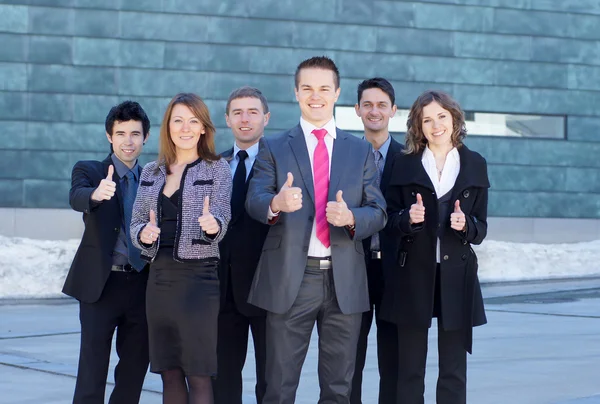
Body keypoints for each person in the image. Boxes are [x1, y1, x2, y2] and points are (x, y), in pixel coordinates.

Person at [245, 56, 387, 403]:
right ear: (296, 92)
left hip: (345, 281)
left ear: (336, 92)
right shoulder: (274, 146)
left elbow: (379, 211)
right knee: (278, 386)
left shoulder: (359, 150)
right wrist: (276, 204)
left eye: (324, 88)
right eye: (307, 88)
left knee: (339, 389)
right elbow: (254, 199)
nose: (315, 95)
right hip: (292, 279)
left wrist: (351, 217)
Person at [380, 90, 489, 404]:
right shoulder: (404, 163)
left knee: (454, 368)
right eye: (427, 119)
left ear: (454, 118)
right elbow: (387, 220)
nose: (435, 124)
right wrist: (407, 219)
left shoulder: (474, 163)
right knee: (409, 368)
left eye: (442, 116)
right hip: (413, 273)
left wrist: (465, 224)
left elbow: (481, 228)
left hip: (457, 274)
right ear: (418, 125)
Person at [130, 93, 232, 404]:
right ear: (168, 127)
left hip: (199, 281)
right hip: (159, 280)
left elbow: (222, 214)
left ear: (203, 128)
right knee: (169, 372)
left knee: (198, 373)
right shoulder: (151, 171)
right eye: (178, 120)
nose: (185, 128)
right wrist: (143, 235)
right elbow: (136, 222)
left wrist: (213, 224)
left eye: (193, 121)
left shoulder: (218, 168)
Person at [62, 101, 151, 404]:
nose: (128, 141)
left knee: (135, 367)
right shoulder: (90, 170)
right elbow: (76, 196)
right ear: (109, 136)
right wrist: (95, 195)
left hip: (141, 284)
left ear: (145, 138)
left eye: (135, 134)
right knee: (92, 367)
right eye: (121, 133)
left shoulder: (154, 178)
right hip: (102, 285)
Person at [213, 86, 271, 404]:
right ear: (227, 119)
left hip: (268, 289)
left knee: (270, 382)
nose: (244, 119)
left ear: (266, 118)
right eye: (237, 112)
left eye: (252, 112)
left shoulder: (281, 165)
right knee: (223, 381)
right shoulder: (215, 165)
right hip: (223, 293)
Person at [351, 78, 403, 404]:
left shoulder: (409, 158)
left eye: (382, 105)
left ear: (393, 111)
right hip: (353, 270)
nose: (374, 111)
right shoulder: (346, 157)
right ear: (357, 110)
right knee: (348, 359)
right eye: (368, 104)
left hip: (395, 273)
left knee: (393, 362)